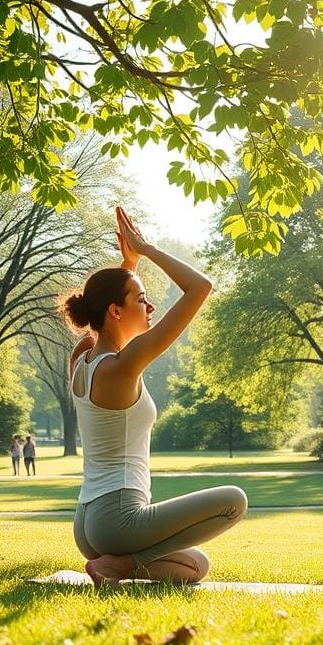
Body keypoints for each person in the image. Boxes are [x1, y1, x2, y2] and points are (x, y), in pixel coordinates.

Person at [61, 206, 247, 586]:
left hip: (88, 522)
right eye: (142, 299)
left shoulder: (83, 357)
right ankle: (119, 566)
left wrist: (129, 265)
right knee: (233, 502)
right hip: (119, 518)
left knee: (195, 567)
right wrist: (146, 249)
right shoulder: (123, 367)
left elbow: (107, 307)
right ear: (115, 310)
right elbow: (200, 287)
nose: (150, 307)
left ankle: (113, 563)